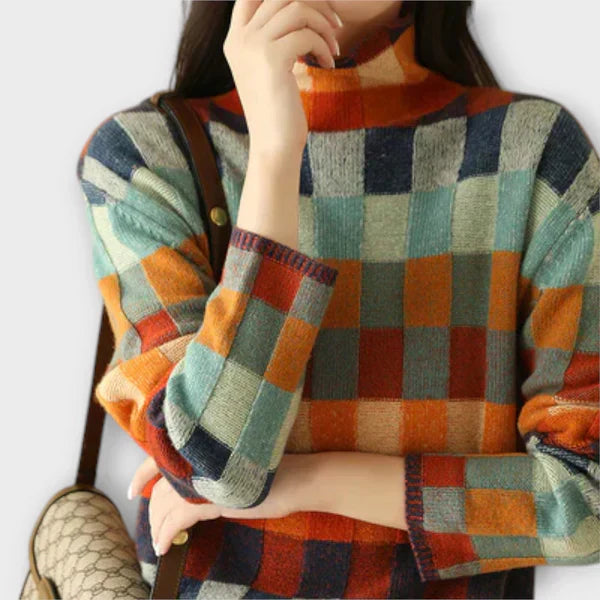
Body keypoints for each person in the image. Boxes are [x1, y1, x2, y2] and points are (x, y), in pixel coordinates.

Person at [75, 0, 600, 598]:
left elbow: (586, 502)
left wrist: (305, 482)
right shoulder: (145, 157)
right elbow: (215, 467)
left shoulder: (532, 152)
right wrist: (275, 155)